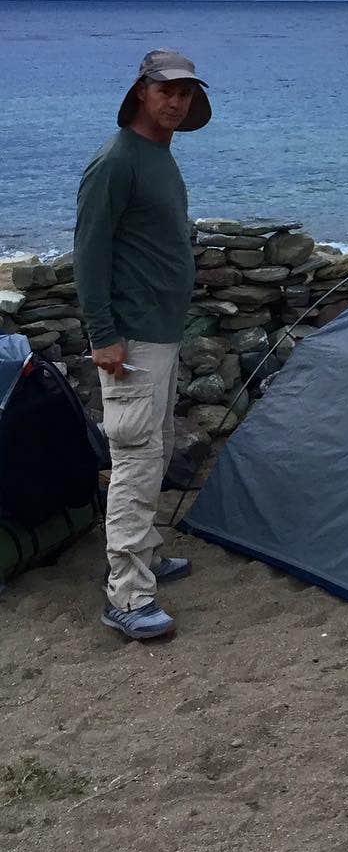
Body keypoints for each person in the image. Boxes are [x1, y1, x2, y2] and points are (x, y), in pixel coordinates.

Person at [75, 49, 212, 640]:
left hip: (161, 332)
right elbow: (90, 252)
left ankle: (148, 554)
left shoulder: (158, 156)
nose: (176, 102)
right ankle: (127, 595)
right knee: (133, 459)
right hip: (130, 339)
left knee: (154, 447)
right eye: (166, 91)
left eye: (184, 94)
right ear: (141, 92)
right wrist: (102, 336)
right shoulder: (115, 161)